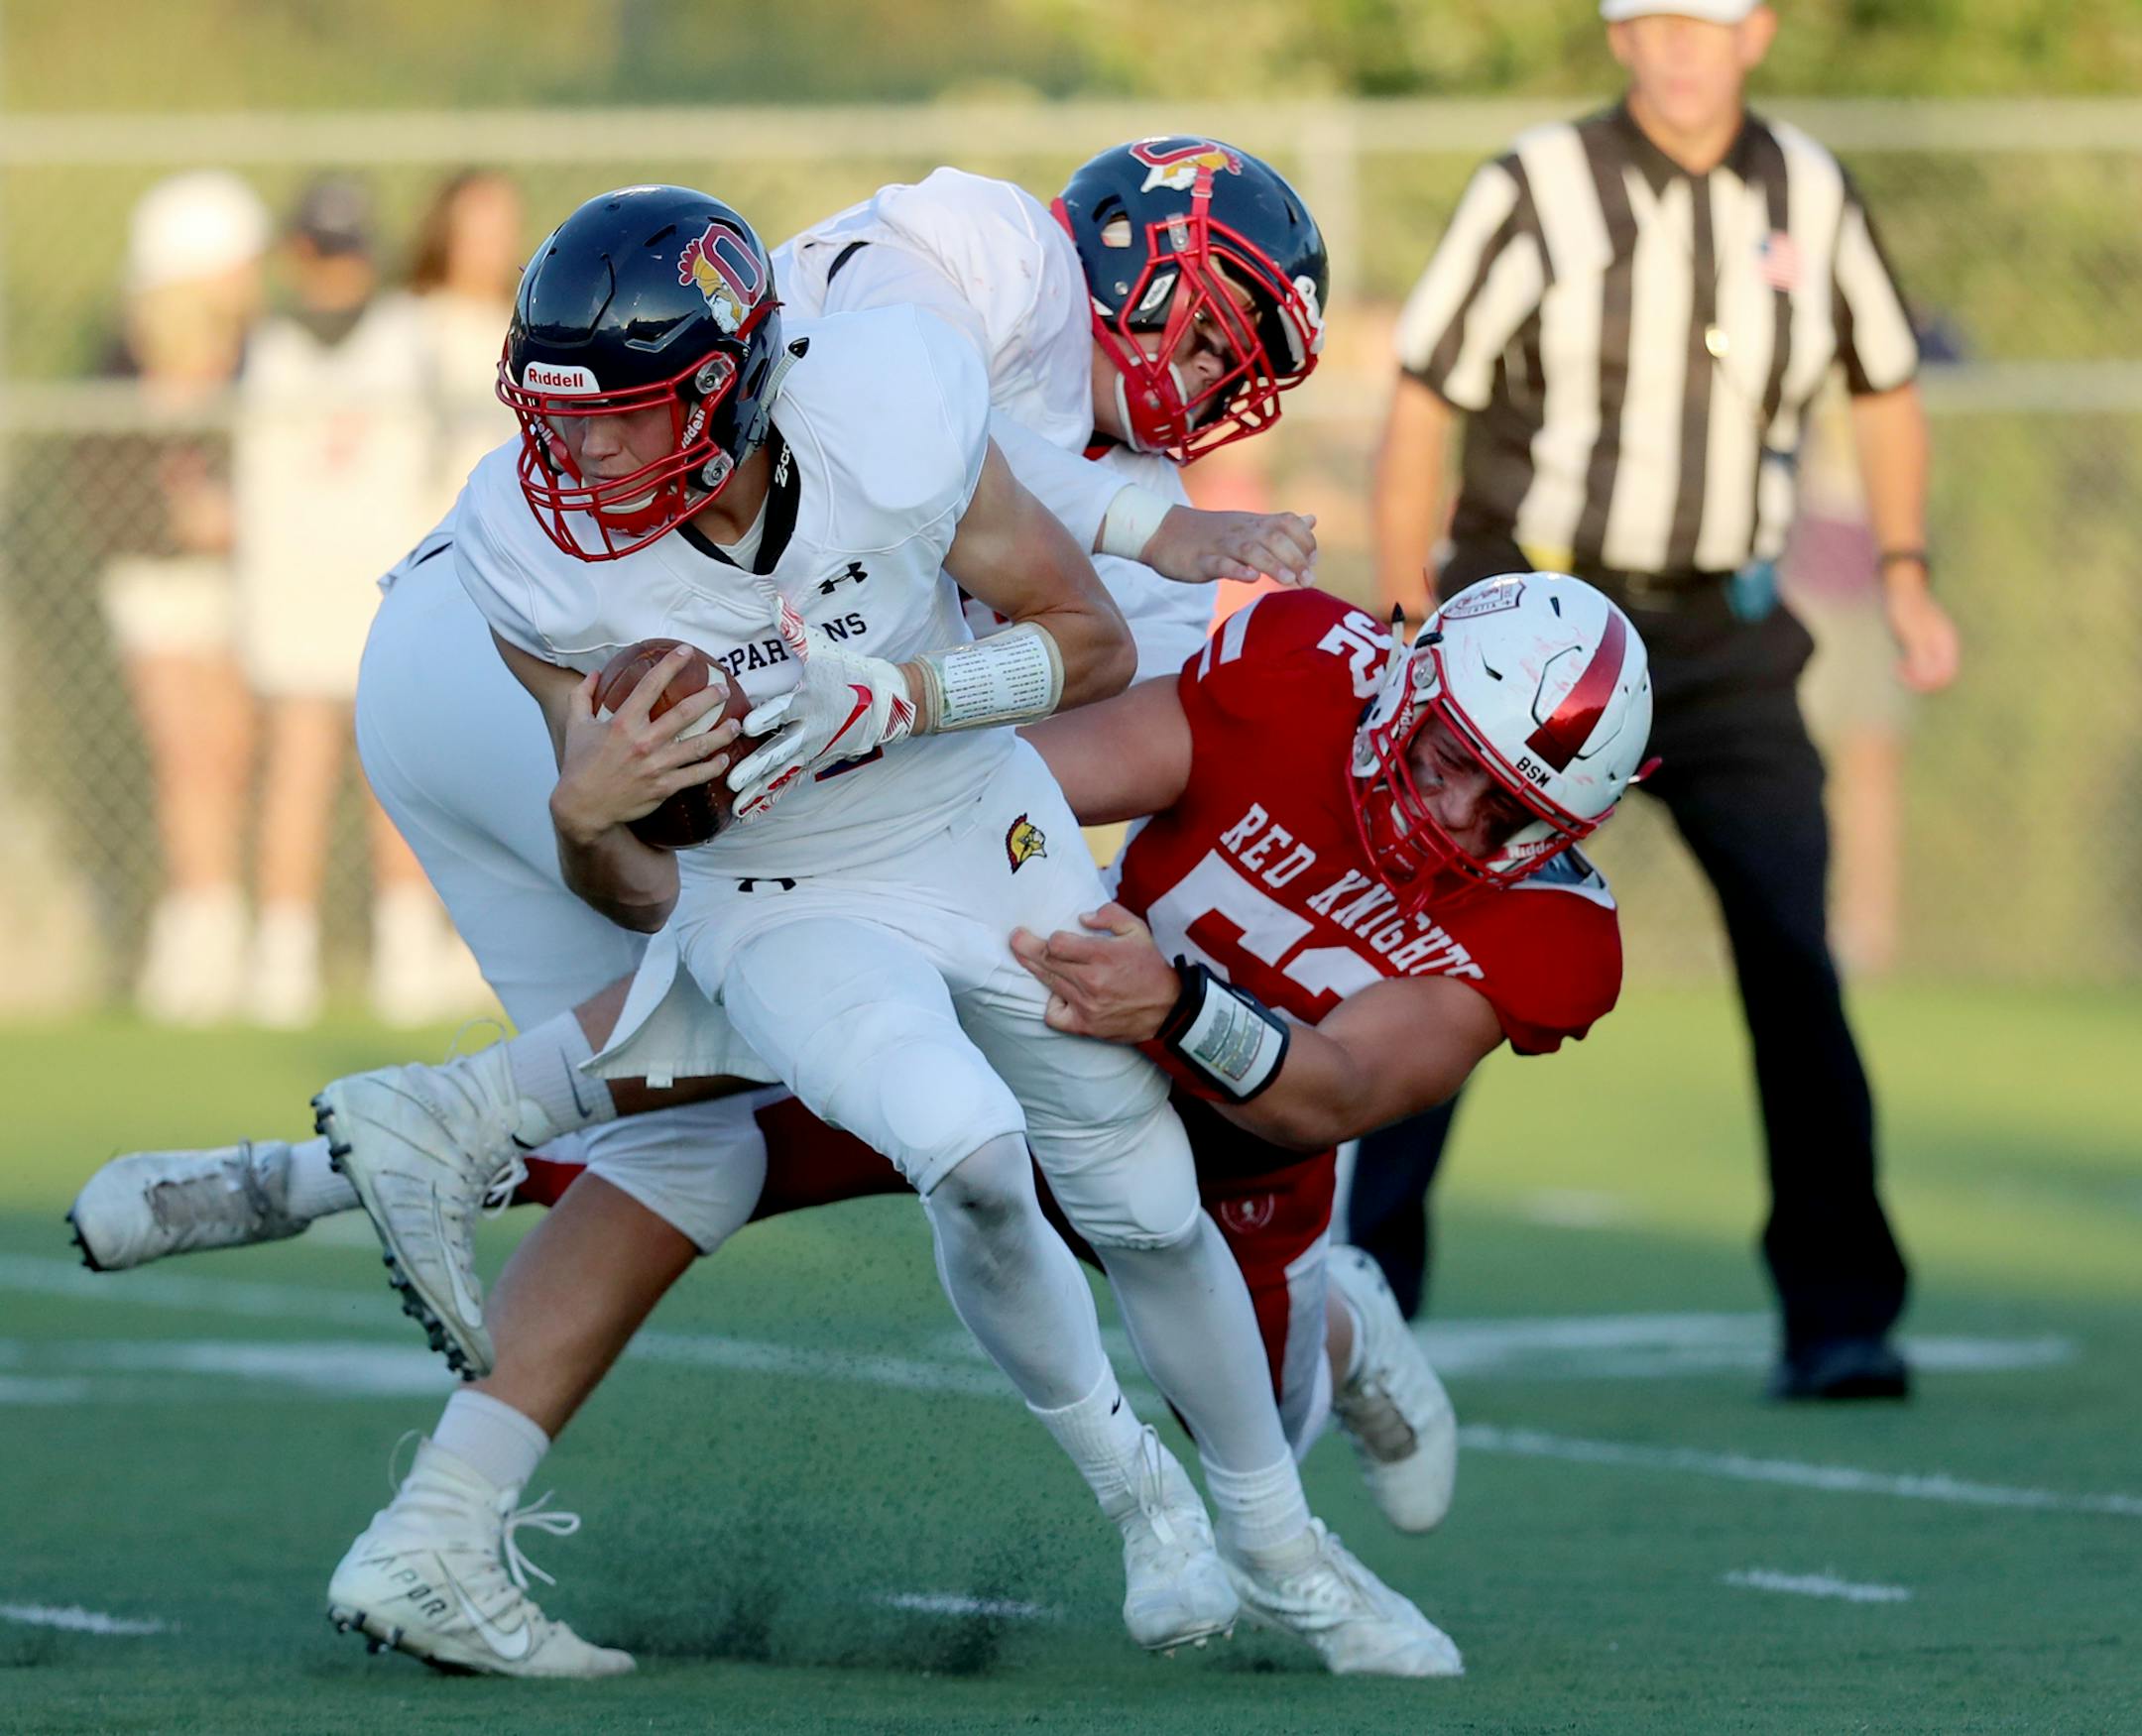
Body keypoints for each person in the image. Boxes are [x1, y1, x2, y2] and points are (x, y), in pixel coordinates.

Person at [69, 156, 1455, 1678]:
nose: (1197, 386)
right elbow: (870, 393)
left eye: (1227, 373)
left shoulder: (997, 457)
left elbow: (1070, 670)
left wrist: (936, 699)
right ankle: (420, 1154)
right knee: (739, 1050)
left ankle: (425, 1432)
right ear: (1137, 251)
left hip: (565, 696)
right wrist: (1130, 523)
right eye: (1203, 334)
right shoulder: (986, 259)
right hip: (553, 665)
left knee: (699, 1117)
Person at [1368, 0, 1962, 1398]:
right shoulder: (1539, 184)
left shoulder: (1809, 190)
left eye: (1710, 19)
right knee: (1439, 939)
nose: (1683, 45)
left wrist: (1908, 568)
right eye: (1657, 21)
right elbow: (1425, 394)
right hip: (1546, 621)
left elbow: (1883, 386)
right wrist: (1405, 615)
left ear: (1756, 31)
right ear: (1620, 35)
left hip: (1725, 629)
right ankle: (1356, 1290)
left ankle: (1841, 1311)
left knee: (1793, 956)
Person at [233, 176, 437, 1025]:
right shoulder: (266, 342)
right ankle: (282, 955)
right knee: (299, 768)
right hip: (291, 585)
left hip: (384, 578)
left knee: (392, 772)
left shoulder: (405, 334)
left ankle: (406, 948)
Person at [99, 173, 269, 1023]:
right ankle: (197, 926)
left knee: (231, 751)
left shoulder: (253, 351)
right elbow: (111, 483)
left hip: (236, 579)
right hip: (157, 578)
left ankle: (230, 923)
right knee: (186, 752)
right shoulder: (125, 354)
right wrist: (181, 520)